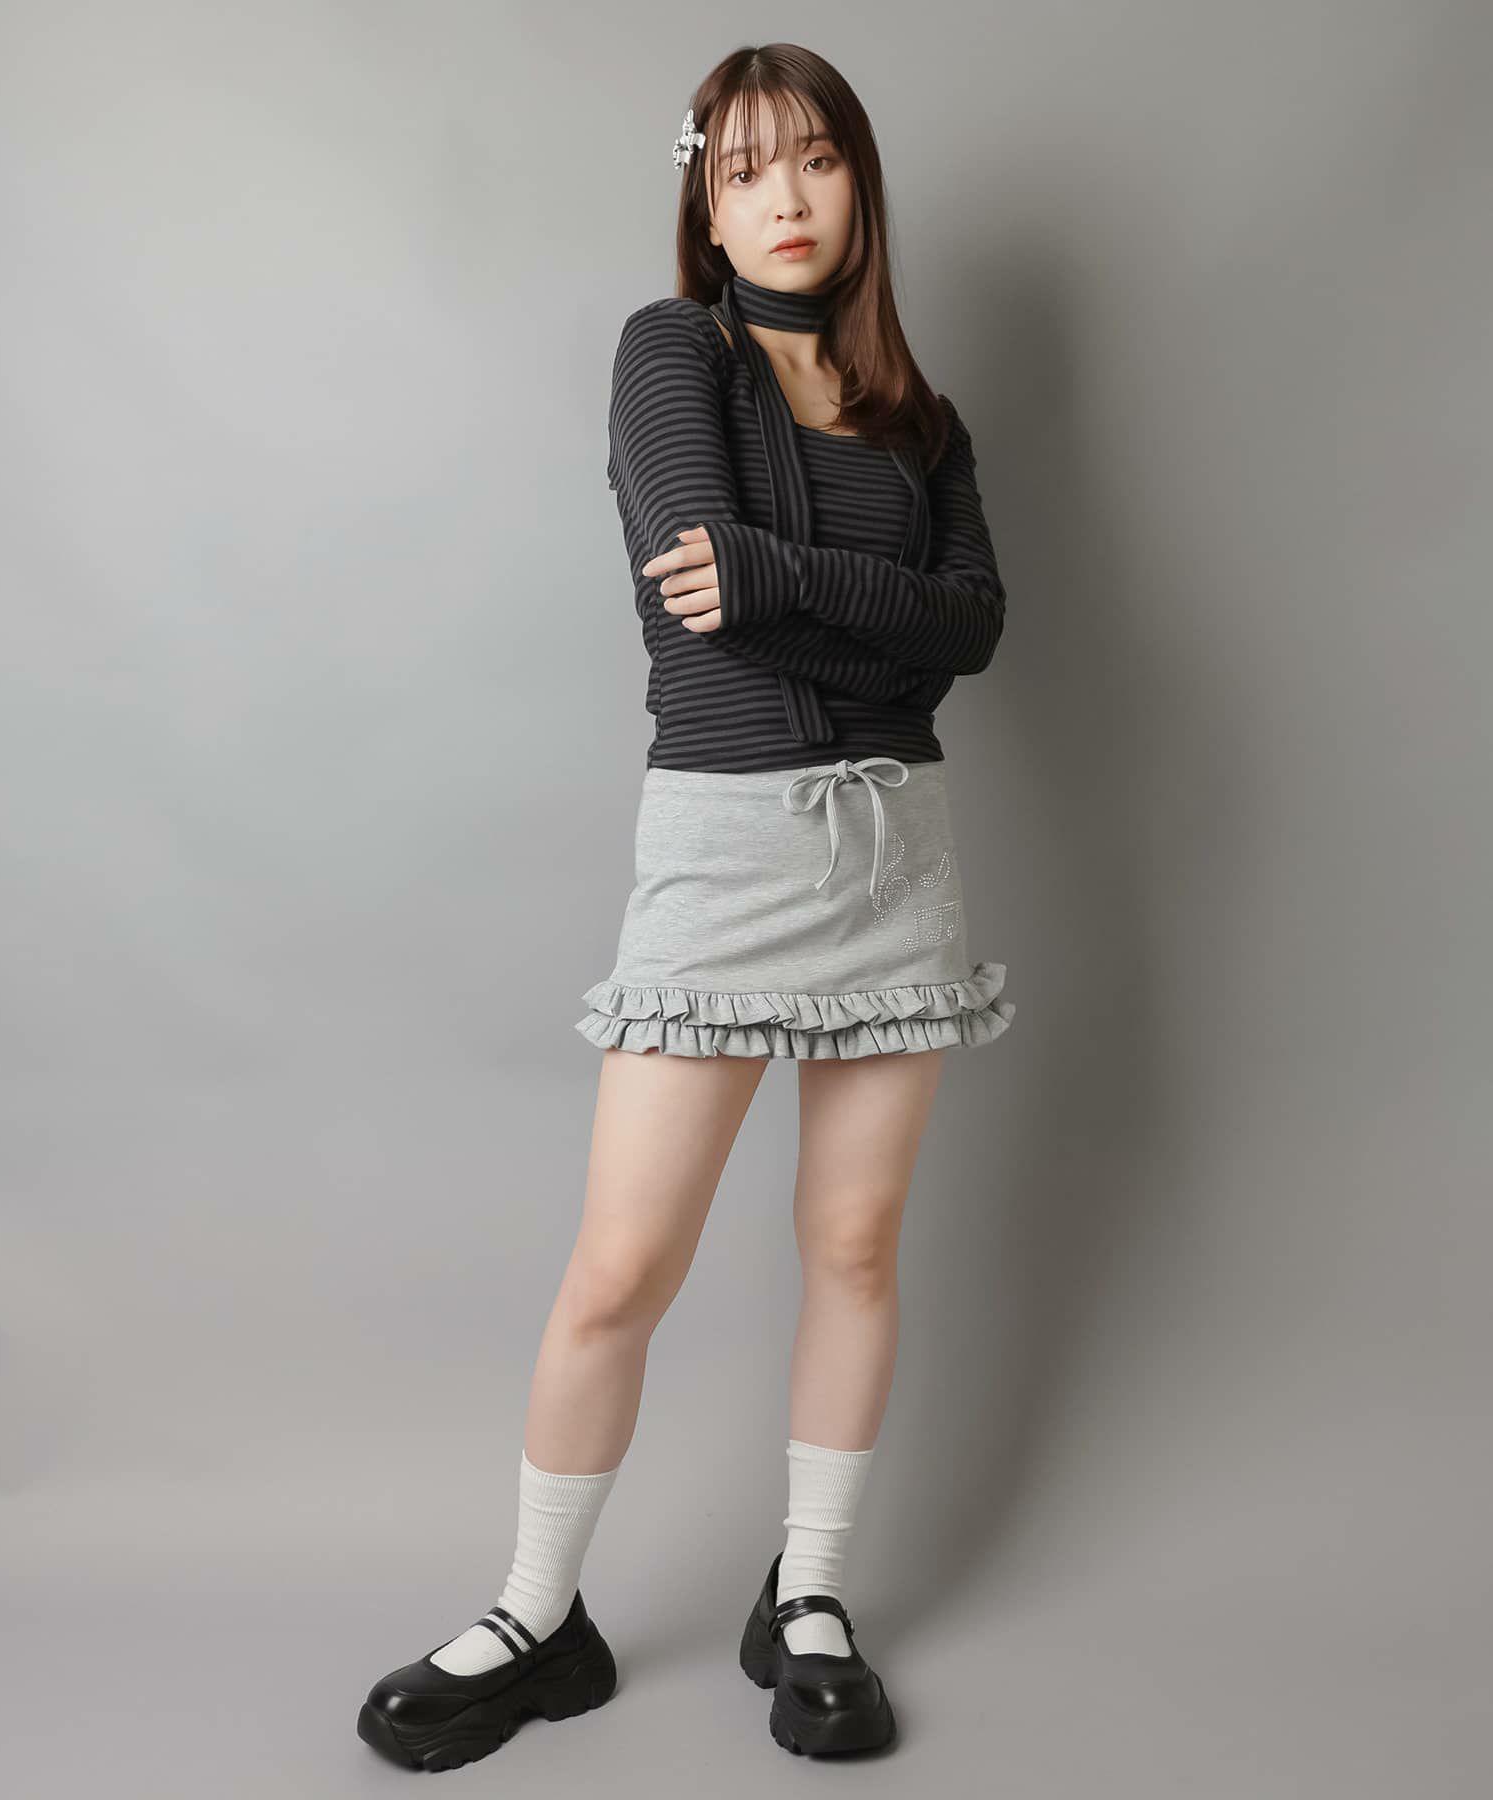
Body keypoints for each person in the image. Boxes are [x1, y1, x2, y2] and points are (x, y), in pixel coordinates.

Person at [357, 41, 1014, 1773]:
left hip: (895, 858)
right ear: (704, 202)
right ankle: (538, 1616)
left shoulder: (924, 420)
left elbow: (974, 630)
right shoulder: (673, 354)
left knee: (853, 1246)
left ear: (859, 182)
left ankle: (811, 1594)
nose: (783, 198)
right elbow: (699, 604)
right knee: (621, 1267)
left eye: (814, 160)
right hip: (724, 852)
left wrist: (787, 579)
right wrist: (869, 618)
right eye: (743, 169)